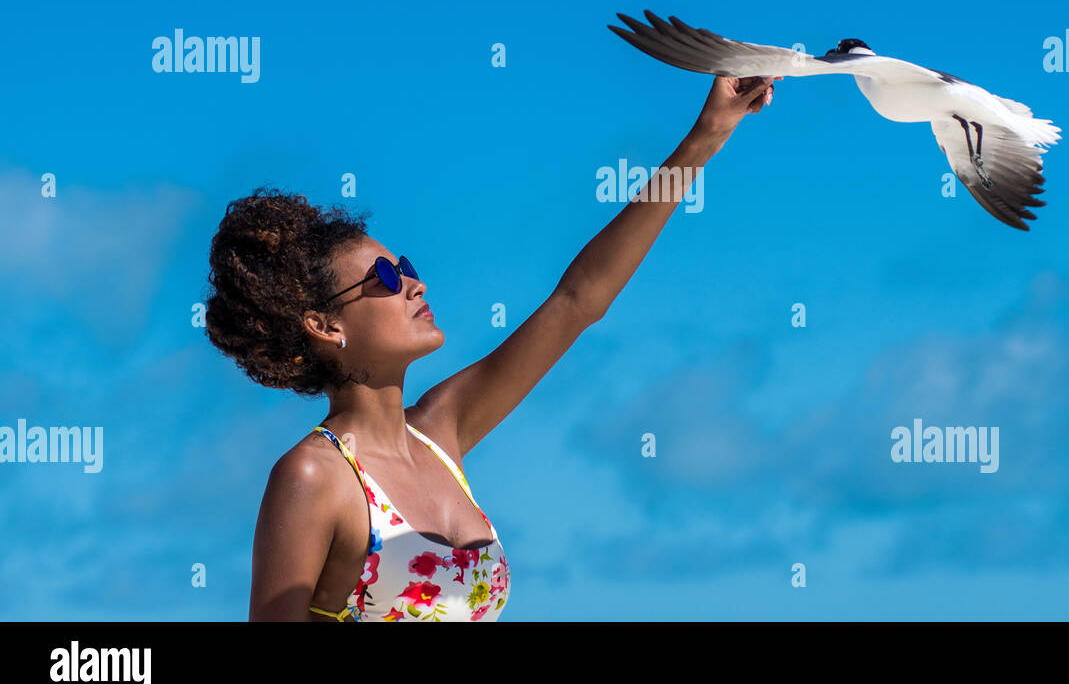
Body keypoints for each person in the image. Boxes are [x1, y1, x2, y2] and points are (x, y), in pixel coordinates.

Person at [204, 73, 779, 620]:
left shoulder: (441, 435)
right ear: (326, 326)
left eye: (405, 266)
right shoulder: (313, 476)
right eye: (383, 276)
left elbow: (578, 301)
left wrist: (707, 136)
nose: (414, 282)